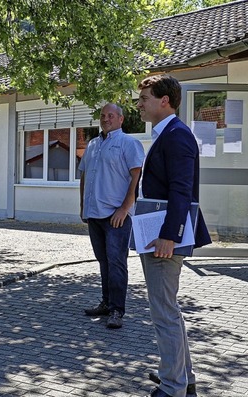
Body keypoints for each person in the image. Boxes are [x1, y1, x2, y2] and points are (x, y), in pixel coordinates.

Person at [136, 75, 211, 397]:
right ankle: (181, 376)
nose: (139, 104)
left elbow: (183, 191)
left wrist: (169, 236)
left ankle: (173, 388)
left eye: (144, 98)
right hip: (159, 235)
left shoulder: (177, 135)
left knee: (164, 312)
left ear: (164, 100)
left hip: (163, 240)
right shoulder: (169, 133)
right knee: (168, 310)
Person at [79, 103, 144, 329]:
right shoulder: (93, 144)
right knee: (103, 261)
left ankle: (117, 310)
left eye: (111, 115)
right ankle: (106, 303)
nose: (106, 119)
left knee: (116, 262)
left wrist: (125, 209)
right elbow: (84, 176)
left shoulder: (129, 143)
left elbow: (136, 178)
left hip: (116, 215)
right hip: (94, 214)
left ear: (121, 119)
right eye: (103, 115)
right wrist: (83, 207)